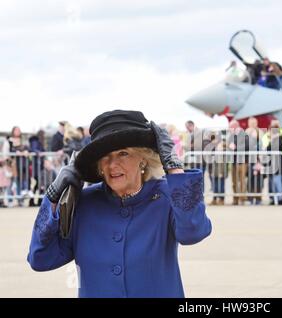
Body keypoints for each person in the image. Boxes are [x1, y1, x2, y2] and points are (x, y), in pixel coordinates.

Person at [27, 110, 212, 297]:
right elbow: (40, 258)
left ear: (143, 159)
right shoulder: (85, 204)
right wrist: (52, 197)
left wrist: (174, 167)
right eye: (106, 156)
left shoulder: (167, 196)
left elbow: (194, 232)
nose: (112, 164)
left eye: (123, 153)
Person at [227, 120, 249, 205]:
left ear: (235, 126)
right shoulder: (231, 136)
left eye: (230, 127)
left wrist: (235, 148)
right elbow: (229, 145)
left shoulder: (244, 134)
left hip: (242, 162)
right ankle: (235, 198)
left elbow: (247, 146)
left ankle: (242, 198)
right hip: (234, 162)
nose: (229, 129)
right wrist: (229, 146)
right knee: (234, 181)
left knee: (242, 180)